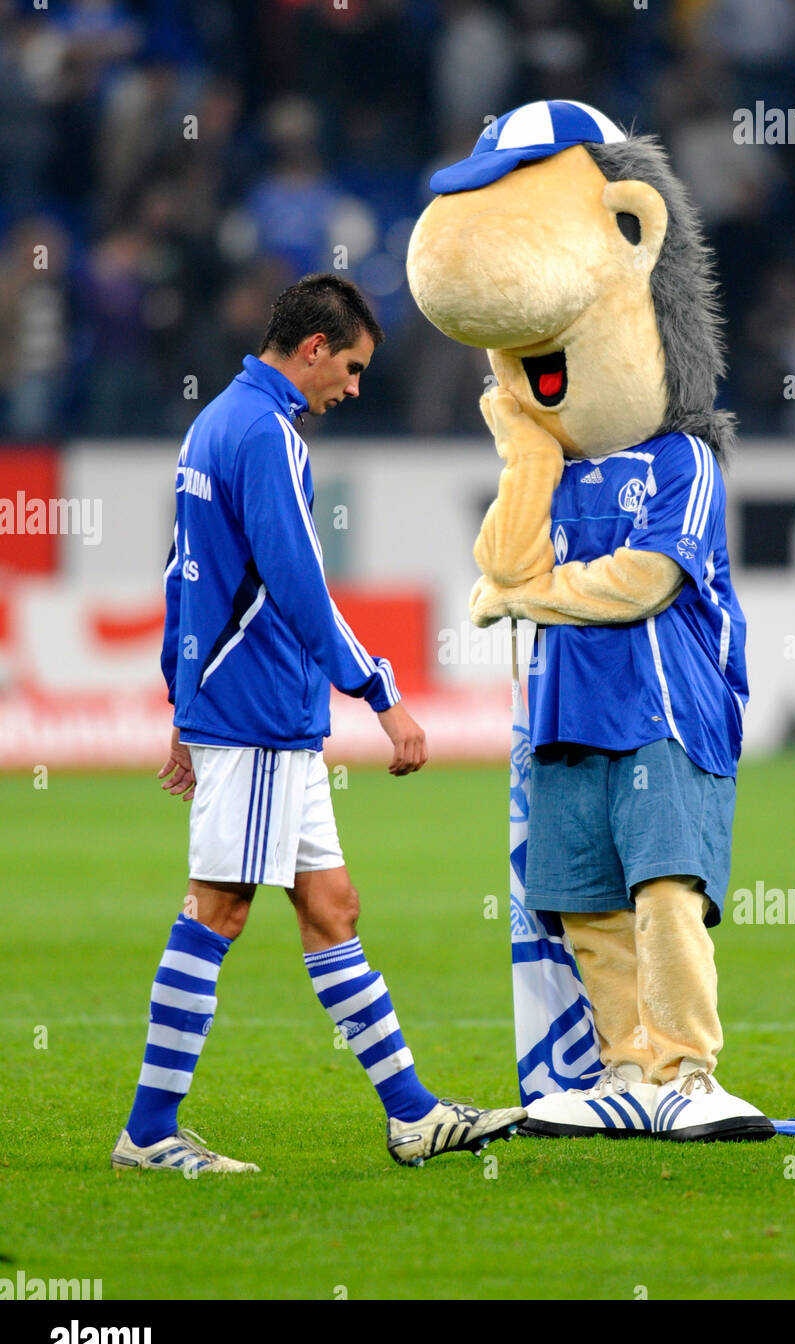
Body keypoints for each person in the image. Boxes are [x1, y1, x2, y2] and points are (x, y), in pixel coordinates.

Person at [112, 273, 525, 1174]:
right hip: (260, 707)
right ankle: (147, 1134)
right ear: (310, 351)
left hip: (254, 709)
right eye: (351, 366)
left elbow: (183, 572)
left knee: (331, 910)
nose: (354, 386)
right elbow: (295, 584)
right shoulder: (265, 433)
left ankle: (412, 1114)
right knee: (217, 910)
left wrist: (180, 697)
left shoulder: (215, 421)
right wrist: (379, 692)